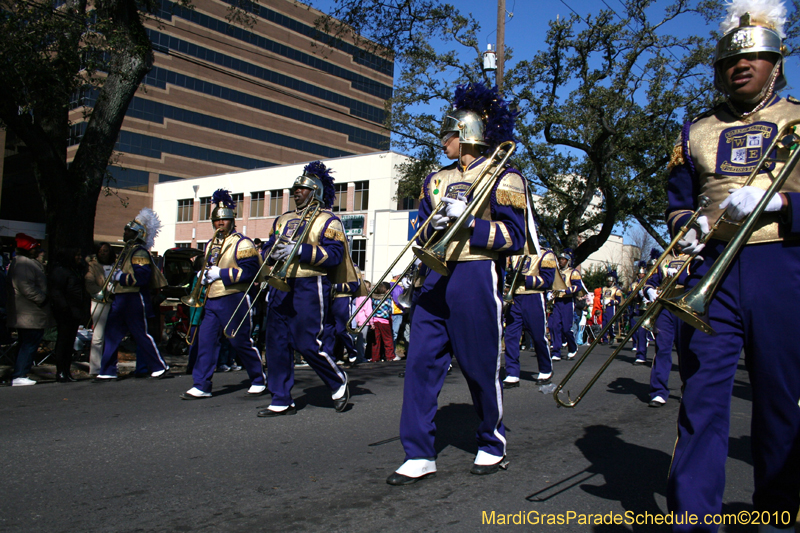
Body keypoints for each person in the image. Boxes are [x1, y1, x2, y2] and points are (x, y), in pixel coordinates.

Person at [664, 0, 800, 529]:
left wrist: (781, 203)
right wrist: (689, 226)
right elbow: (677, 200)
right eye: (729, 60)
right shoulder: (694, 131)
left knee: (779, 399)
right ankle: (695, 518)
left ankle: (779, 511)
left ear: (776, 61)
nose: (739, 66)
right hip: (711, 270)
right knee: (701, 397)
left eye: (754, 58)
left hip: (781, 264)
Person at [387, 83, 526, 485]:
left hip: (476, 272)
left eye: (447, 133)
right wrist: (434, 228)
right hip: (435, 274)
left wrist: (472, 222)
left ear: (466, 134)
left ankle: (491, 440)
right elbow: (421, 233)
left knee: (479, 364)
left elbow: (514, 238)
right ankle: (418, 452)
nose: (442, 140)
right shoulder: (434, 180)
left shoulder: (504, 175)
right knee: (420, 362)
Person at [258, 161, 358, 416]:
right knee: (276, 342)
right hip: (280, 283)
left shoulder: (328, 220)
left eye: (302, 189)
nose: (296, 192)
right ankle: (280, 398)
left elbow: (335, 255)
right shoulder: (283, 220)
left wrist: (299, 250)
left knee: (306, 342)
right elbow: (268, 248)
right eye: (295, 189)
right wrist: (272, 251)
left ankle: (338, 381)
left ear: (315, 191)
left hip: (310, 283)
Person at [181, 189, 267, 399]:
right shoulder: (211, 244)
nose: (220, 224)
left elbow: (250, 272)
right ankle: (202, 384)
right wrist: (205, 277)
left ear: (232, 221)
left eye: (225, 221)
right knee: (206, 342)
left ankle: (258, 377)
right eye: (217, 221)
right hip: (212, 299)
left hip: (234, 298)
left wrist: (220, 273)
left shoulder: (243, 243)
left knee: (240, 342)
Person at [95, 209, 170, 381]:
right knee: (111, 333)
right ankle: (107, 370)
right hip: (121, 298)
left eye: (128, 230)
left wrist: (120, 277)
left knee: (140, 334)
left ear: (138, 234)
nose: (125, 233)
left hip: (134, 298)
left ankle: (159, 366)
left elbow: (142, 278)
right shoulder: (127, 251)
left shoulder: (139, 253)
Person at [502, 249, 556, 387]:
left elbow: (548, 281)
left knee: (538, 336)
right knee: (511, 336)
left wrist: (525, 279)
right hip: (515, 297)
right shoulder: (515, 255)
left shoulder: (545, 254)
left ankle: (545, 369)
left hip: (534, 296)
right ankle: (512, 372)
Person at [7, 233, 54, 386]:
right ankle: (20, 374)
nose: (38, 251)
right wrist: (42, 298)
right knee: (29, 343)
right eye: (35, 248)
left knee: (26, 343)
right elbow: (26, 287)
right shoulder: (24, 264)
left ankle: (20, 372)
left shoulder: (23, 263)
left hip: (29, 311)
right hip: (29, 312)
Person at [644, 246, 688, 408]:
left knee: (686, 350)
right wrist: (649, 291)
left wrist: (680, 276)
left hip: (686, 307)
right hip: (666, 308)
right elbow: (650, 281)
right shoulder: (665, 258)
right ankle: (658, 391)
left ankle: (689, 388)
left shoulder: (695, 254)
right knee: (662, 349)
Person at [48, 248, 87, 382]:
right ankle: (60, 371)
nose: (79, 258)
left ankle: (66, 370)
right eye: (77, 255)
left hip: (75, 310)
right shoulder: (60, 271)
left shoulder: (75, 270)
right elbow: (56, 291)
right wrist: (64, 307)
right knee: (63, 341)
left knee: (70, 342)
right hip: (65, 311)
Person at [548, 250, 586, 362]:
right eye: (560, 259)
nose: (561, 261)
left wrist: (567, 290)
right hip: (557, 302)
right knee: (554, 326)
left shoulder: (573, 272)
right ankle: (556, 351)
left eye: (563, 259)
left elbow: (578, 286)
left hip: (567, 302)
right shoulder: (556, 272)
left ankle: (572, 347)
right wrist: (550, 292)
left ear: (568, 261)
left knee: (566, 328)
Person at [85, 243, 115, 376]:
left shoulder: (116, 265)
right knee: (98, 336)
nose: (103, 253)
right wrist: (98, 293)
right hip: (99, 301)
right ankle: (95, 368)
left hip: (114, 300)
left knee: (112, 335)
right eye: (101, 251)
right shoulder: (92, 266)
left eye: (106, 251)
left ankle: (111, 366)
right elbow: (89, 282)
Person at [368, 282, 395, 362]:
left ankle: (375, 358)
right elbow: (390, 310)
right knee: (388, 340)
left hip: (375, 320)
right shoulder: (387, 299)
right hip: (384, 321)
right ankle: (389, 357)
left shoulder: (373, 299)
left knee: (376, 341)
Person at [599, 272, 622, 345]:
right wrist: (601, 301)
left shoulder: (616, 290)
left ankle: (612, 336)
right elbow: (600, 296)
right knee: (604, 324)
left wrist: (611, 301)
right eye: (608, 281)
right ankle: (605, 339)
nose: (609, 283)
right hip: (604, 307)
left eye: (610, 282)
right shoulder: (604, 289)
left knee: (610, 323)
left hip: (611, 307)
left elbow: (618, 301)